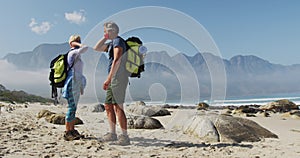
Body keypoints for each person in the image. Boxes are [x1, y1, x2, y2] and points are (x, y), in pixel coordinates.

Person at [94, 21, 130, 145]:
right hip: (113, 78)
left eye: (106, 31)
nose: (104, 33)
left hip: (118, 78)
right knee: (108, 105)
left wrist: (108, 79)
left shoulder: (118, 41)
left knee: (118, 107)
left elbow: (117, 60)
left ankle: (124, 136)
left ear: (112, 31)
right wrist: (105, 37)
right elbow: (97, 48)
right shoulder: (111, 44)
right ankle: (112, 133)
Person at [62, 35, 88, 141]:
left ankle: (72, 130)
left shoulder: (77, 55)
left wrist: (81, 87)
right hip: (71, 83)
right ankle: (67, 131)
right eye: (77, 41)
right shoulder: (73, 53)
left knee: (73, 108)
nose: (79, 42)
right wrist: (76, 44)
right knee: (71, 108)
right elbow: (85, 47)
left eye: (79, 41)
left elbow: (79, 72)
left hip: (76, 84)